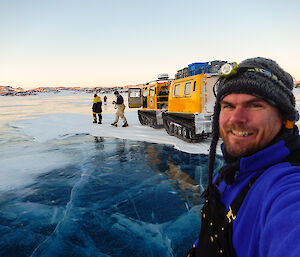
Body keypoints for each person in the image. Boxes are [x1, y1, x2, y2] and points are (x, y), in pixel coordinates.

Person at [187, 57, 300, 257]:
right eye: (228, 106)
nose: (236, 118)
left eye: (255, 105)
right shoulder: (230, 173)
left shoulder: (287, 185)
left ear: (285, 117)